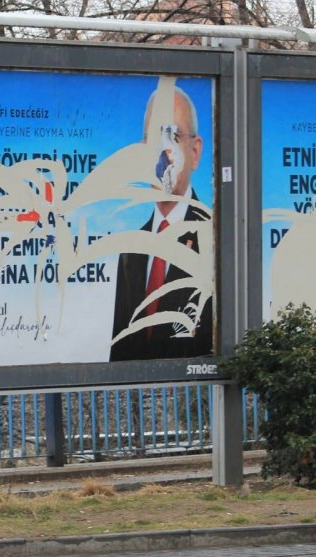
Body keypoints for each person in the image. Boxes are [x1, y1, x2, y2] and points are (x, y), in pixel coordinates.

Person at [110, 86, 214, 362]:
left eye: (173, 136)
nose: (163, 151)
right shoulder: (132, 249)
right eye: (154, 137)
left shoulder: (217, 240)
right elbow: (120, 350)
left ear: (195, 151)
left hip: (194, 401)